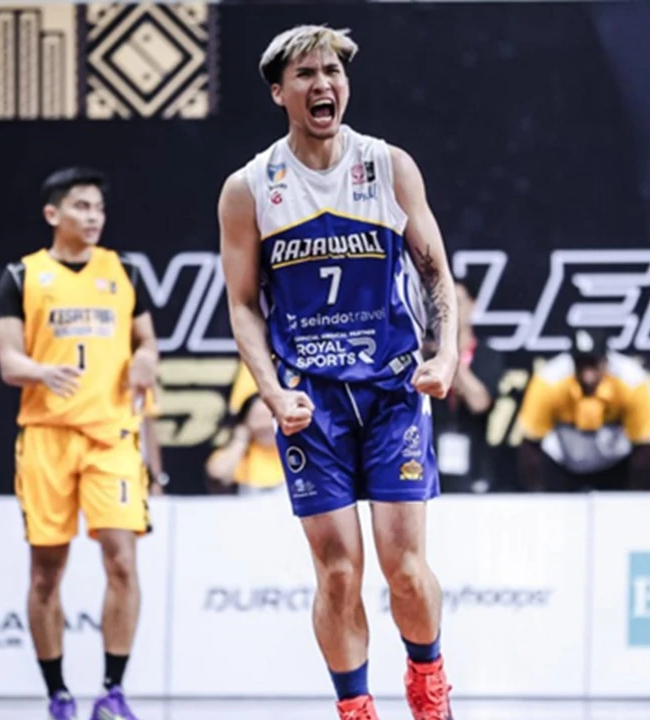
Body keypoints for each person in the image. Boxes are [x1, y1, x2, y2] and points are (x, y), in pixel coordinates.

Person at [217, 25, 458, 720]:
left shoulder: (387, 165)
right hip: (311, 402)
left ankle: (428, 679)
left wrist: (444, 354)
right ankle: (355, 708)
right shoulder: (249, 188)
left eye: (333, 72)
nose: (324, 84)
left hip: (391, 391)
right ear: (279, 92)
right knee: (338, 571)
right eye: (306, 75)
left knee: (404, 570)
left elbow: (435, 272)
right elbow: (241, 304)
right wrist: (271, 392)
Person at [0, 167, 158, 720]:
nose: (93, 217)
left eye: (98, 208)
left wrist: (144, 359)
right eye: (82, 207)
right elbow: (8, 360)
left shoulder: (123, 270)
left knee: (122, 562)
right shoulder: (22, 276)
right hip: (46, 437)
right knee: (46, 570)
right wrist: (40, 371)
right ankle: (58, 694)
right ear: (53, 214)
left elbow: (147, 341)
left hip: (112, 436)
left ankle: (112, 692)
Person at [516, 328, 650, 492]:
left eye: (594, 365)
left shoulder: (631, 381)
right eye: (581, 365)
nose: (588, 375)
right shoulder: (549, 381)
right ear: (572, 362)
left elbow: (642, 445)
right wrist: (536, 493)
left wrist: (636, 495)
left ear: (606, 361)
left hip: (615, 464)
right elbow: (531, 442)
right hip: (563, 463)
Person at [432, 279, 505, 493]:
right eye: (445, 302)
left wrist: (452, 359)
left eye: (458, 302)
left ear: (472, 305)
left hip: (475, 466)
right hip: (431, 467)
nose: (452, 309)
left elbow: (480, 403)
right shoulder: (427, 357)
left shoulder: (487, 356)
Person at [205, 393, 287, 495]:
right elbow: (218, 476)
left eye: (271, 417)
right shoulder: (237, 452)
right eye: (259, 418)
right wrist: (240, 438)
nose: (266, 424)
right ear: (245, 420)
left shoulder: (293, 449)